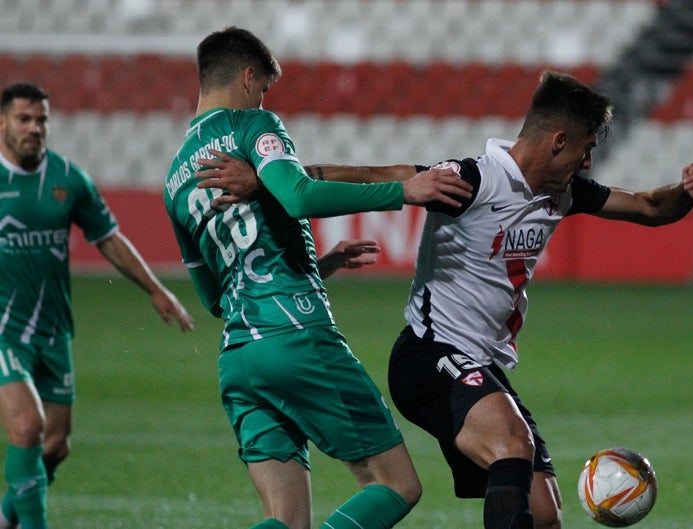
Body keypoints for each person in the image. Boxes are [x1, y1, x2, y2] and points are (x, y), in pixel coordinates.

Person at [198, 69, 693, 529]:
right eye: (586, 147)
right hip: (429, 355)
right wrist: (267, 181)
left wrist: (685, 193)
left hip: (482, 364)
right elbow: (378, 176)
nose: (589, 160)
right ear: (559, 140)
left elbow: (650, 207)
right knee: (512, 443)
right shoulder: (473, 180)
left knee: (543, 514)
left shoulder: (563, 193)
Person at [163, 27, 472, 529]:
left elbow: (214, 298)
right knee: (396, 484)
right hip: (296, 337)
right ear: (248, 78)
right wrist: (404, 192)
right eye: (264, 88)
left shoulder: (174, 180)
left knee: (284, 519)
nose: (264, 99)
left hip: (239, 357)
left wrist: (319, 265)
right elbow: (299, 196)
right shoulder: (252, 125)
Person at [0, 82, 195, 529]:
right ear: (2, 123)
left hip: (53, 330)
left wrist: (155, 289)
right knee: (27, 428)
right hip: (5, 331)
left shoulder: (67, 179)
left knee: (56, 445)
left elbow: (107, 237)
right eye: (24, 119)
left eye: (42, 120)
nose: (35, 128)